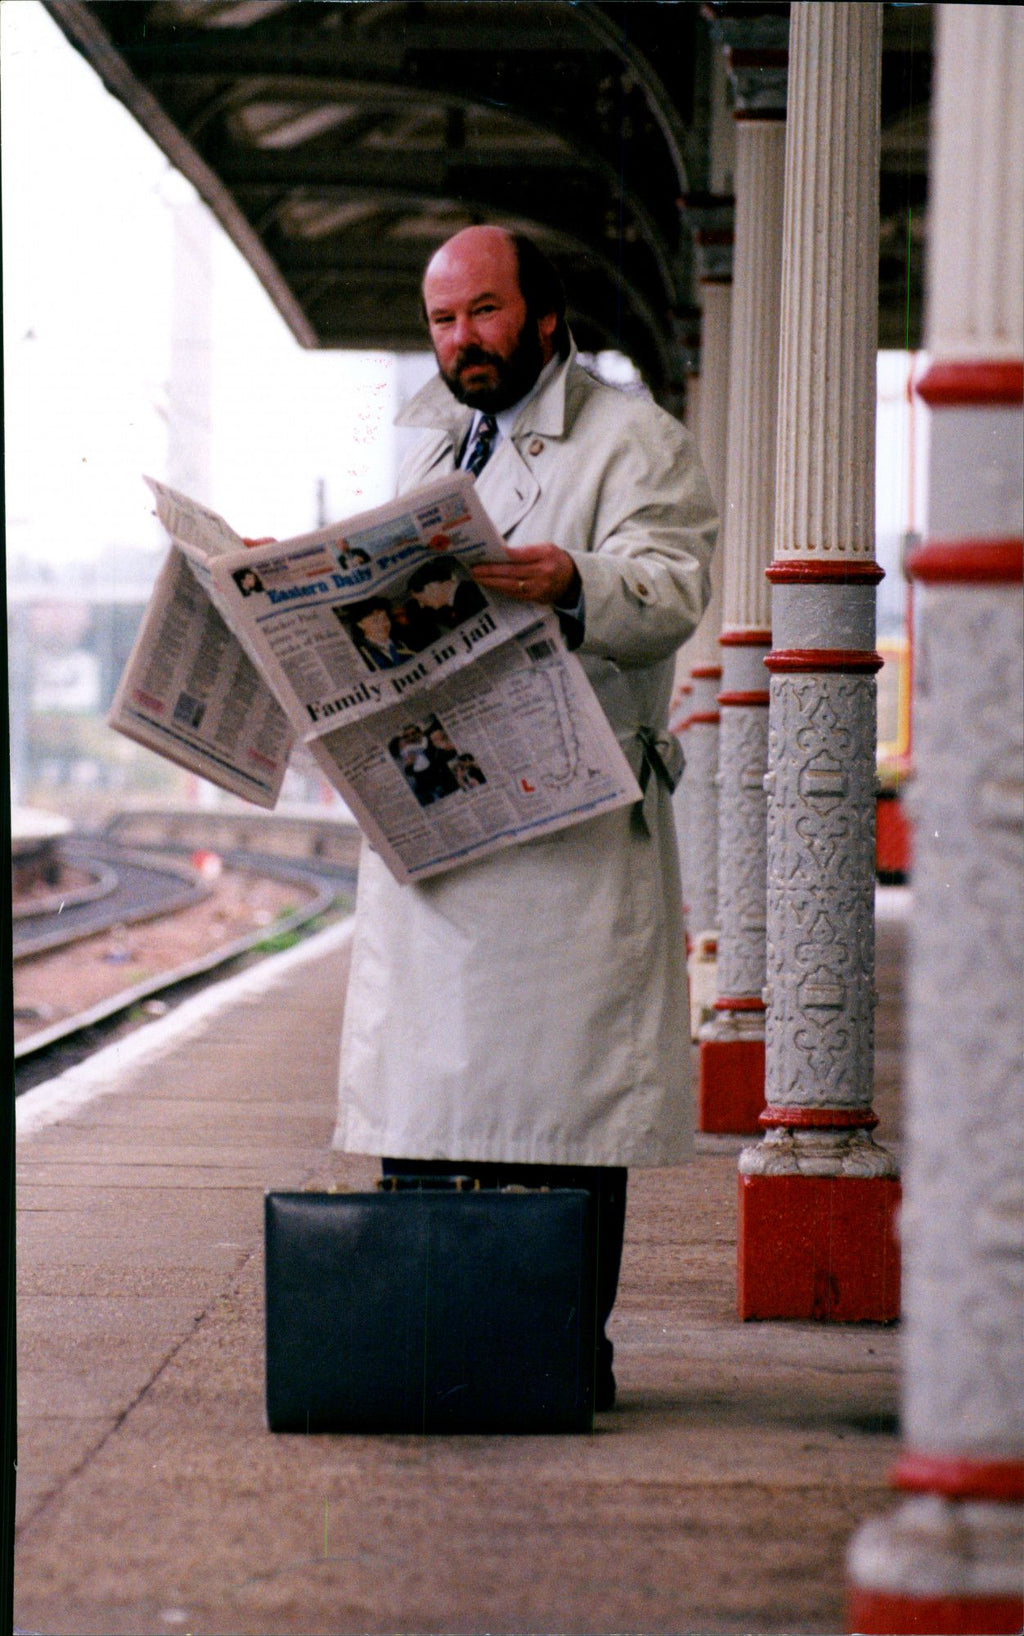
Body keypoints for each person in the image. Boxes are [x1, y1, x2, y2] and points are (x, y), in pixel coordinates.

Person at [334, 225, 717, 1410]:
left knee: (559, 1111)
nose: (462, 340)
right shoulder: (427, 441)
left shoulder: (635, 441)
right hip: (436, 823)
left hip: (569, 834)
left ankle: (556, 1353)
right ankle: (433, 1346)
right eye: (443, 320)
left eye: (483, 312)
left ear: (545, 317)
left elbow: (672, 590)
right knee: (428, 1099)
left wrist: (573, 580)